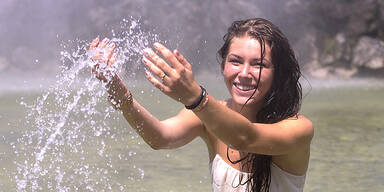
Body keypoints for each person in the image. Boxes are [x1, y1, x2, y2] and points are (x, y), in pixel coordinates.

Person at [90, 18, 314, 192]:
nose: (244, 74)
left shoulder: (298, 129)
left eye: (259, 65)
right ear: (223, 65)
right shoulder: (207, 114)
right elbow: (159, 138)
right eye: (235, 61)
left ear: (278, 74)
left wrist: (194, 97)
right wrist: (119, 92)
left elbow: (245, 138)